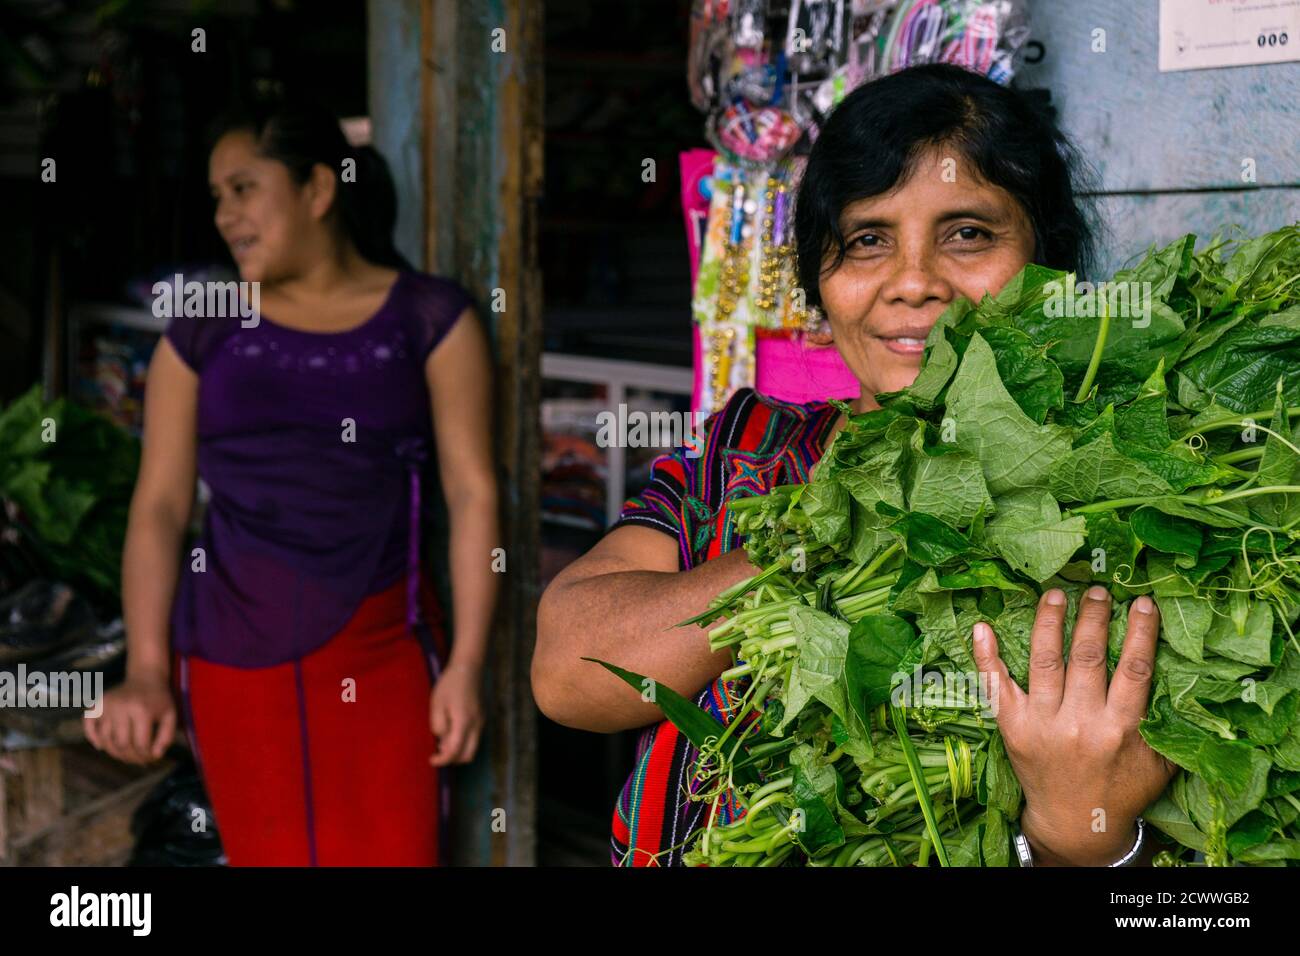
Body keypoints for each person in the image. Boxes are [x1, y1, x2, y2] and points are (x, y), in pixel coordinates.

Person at [533, 63, 1178, 867]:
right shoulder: (749, 450)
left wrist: (1082, 837)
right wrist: (836, 528)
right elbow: (569, 671)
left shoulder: (1131, 503)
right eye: (868, 240)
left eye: (969, 233)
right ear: (820, 278)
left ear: (1048, 265)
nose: (913, 282)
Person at [84, 100, 500, 866]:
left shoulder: (429, 319)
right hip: (230, 657)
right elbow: (161, 507)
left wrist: (468, 665)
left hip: (383, 655)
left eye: (243, 188)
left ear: (317, 189)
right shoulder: (202, 327)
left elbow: (473, 493)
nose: (225, 215)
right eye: (216, 197)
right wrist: (145, 671)